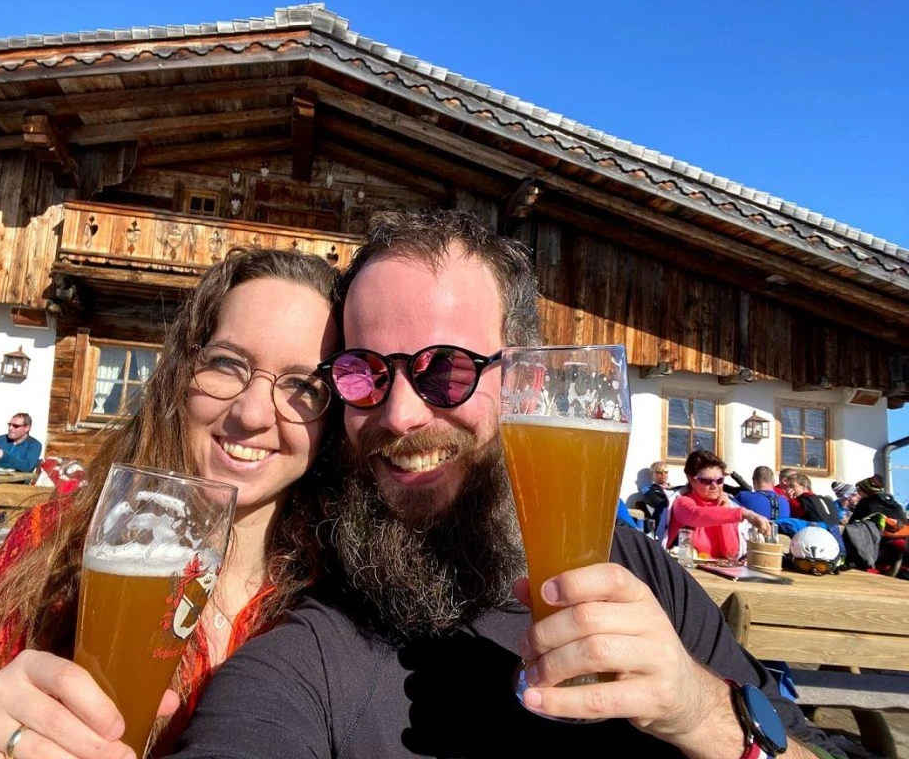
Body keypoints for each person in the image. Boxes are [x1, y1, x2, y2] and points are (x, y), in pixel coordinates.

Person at [171, 210, 834, 758]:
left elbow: (814, 748)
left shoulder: (628, 569)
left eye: (449, 371)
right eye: (365, 372)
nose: (400, 413)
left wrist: (706, 716)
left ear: (522, 379)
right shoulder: (308, 653)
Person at [0, 249, 342, 758]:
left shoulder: (342, 589)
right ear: (182, 374)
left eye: (304, 385)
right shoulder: (53, 541)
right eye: (227, 364)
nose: (253, 413)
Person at [667, 450, 772, 560]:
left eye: (719, 480)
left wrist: (724, 511)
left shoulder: (727, 507)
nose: (714, 485)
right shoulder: (682, 502)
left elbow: (731, 553)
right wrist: (744, 513)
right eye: (706, 481)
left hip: (719, 572)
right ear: (692, 480)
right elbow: (696, 515)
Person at [636, 460, 678, 538]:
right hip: (659, 522)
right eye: (659, 472)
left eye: (666, 472)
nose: (663, 475)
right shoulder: (648, 489)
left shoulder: (674, 489)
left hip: (674, 520)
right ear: (652, 475)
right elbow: (658, 502)